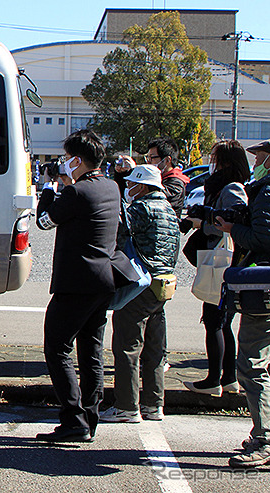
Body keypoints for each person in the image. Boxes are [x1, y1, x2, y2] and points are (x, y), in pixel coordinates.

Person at [34, 129, 120, 443]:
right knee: (91, 352)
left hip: (75, 283)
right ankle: (90, 418)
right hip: (103, 281)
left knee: (57, 348)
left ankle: (73, 420)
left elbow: (44, 220)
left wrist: (48, 188)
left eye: (69, 158)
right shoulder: (110, 188)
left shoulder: (76, 193)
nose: (65, 163)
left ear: (78, 160)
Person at [101, 165, 179, 423]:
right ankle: (154, 405)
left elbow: (119, 233)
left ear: (143, 187)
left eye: (132, 184)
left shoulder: (141, 208)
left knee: (127, 347)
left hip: (141, 285)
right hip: (164, 285)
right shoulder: (169, 210)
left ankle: (126, 406)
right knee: (155, 350)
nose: (128, 189)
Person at [216, 138, 270, 468]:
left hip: (265, 288)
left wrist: (234, 227)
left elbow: (266, 238)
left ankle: (264, 439)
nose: (258, 163)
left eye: (263, 157)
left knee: (252, 363)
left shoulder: (267, 191)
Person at [181, 140, 249, 396]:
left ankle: (213, 380)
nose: (213, 163)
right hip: (223, 262)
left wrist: (203, 222)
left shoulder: (231, 188)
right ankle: (228, 378)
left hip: (222, 262)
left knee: (215, 321)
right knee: (223, 321)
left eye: (216, 158)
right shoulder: (228, 185)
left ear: (227, 162)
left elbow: (231, 221)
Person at [117, 138, 189, 218]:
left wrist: (137, 172)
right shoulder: (162, 178)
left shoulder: (176, 183)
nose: (148, 162)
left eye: (152, 158)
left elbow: (152, 194)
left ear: (167, 160)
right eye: (147, 157)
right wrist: (121, 174)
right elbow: (127, 194)